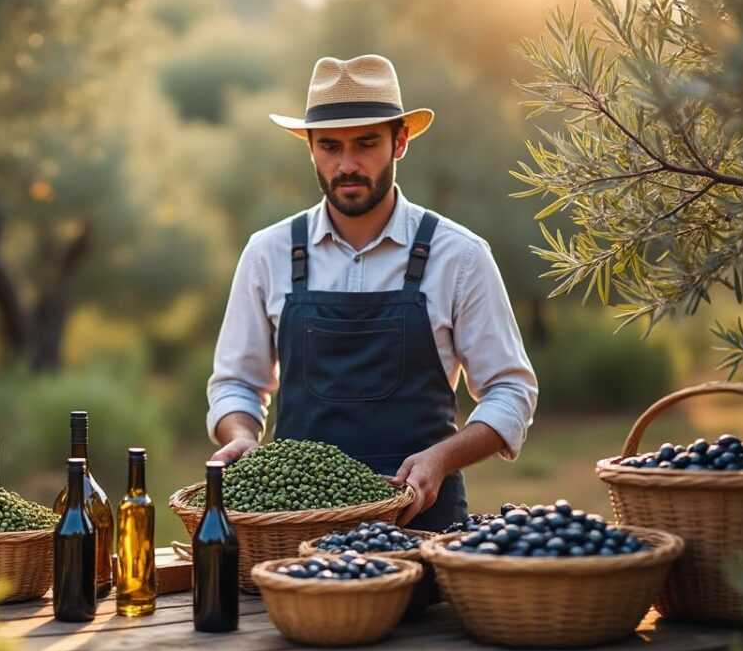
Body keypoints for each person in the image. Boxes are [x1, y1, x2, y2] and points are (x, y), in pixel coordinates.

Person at [207, 55, 538, 530]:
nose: (346, 165)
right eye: (329, 146)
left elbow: (510, 390)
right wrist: (240, 434)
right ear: (310, 148)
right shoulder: (268, 253)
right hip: (293, 529)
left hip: (422, 524)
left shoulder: (459, 256)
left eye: (365, 144)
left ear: (399, 142)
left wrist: (442, 459)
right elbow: (235, 384)